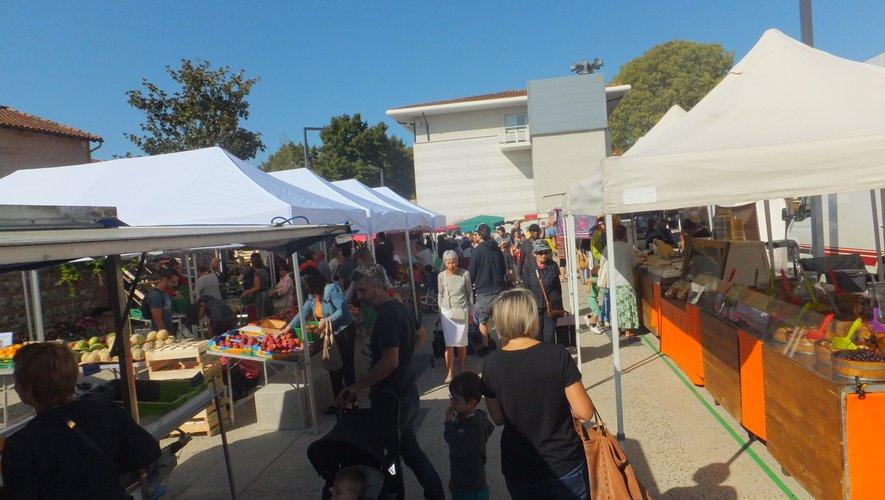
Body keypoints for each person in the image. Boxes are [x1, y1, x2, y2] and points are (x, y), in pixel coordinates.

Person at [2, 343, 161, 498]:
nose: (15, 387)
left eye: (16, 380)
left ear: (29, 388)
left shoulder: (21, 444)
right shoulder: (104, 410)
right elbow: (148, 451)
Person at [338, 272, 444, 500]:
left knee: (390, 459)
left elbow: (390, 361)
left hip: (392, 400)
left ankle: (398, 494)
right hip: (406, 394)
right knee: (409, 449)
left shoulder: (387, 317)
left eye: (363, 290)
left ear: (379, 286)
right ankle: (435, 492)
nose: (360, 296)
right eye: (357, 291)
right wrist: (405, 356)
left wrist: (357, 387)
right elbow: (421, 335)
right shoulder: (400, 307)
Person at [481, 288, 595, 500]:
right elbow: (584, 412)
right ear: (531, 316)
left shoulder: (491, 364)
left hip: (519, 464)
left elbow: (497, 418)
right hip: (563, 460)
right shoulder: (557, 354)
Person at [285, 267, 356, 414]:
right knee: (333, 367)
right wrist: (289, 326)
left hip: (344, 331)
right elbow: (304, 311)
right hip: (330, 334)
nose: (306, 289)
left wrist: (326, 320)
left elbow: (342, 311)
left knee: (346, 367)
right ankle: (338, 402)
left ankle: (352, 403)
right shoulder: (313, 296)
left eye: (306, 285)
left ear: (313, 282)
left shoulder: (331, 289)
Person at [444, 371, 494, 500]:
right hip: (463, 481)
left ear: (471, 403)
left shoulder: (474, 425)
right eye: (451, 397)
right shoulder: (466, 418)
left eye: (455, 399)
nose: (451, 402)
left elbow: (457, 447)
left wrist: (448, 425)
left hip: (471, 486)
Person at [467, 224, 507, 356]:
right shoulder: (497, 249)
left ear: (479, 235)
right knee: (500, 321)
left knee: (483, 321)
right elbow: (503, 269)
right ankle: (505, 348)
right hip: (499, 289)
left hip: (483, 291)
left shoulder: (477, 251)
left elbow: (471, 274)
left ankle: (485, 346)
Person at [438, 250, 473, 383]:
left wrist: (471, 313)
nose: (451, 265)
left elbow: (470, 294)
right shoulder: (441, 276)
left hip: (462, 311)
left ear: (457, 261)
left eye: (453, 262)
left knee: (461, 342)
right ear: (444, 263)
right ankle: (450, 372)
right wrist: (440, 311)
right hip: (447, 312)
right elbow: (440, 294)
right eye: (448, 263)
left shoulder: (465, 274)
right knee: (449, 344)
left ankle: (462, 367)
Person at [521, 239, 563, 344]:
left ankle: (550, 358)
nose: (543, 255)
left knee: (549, 337)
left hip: (551, 306)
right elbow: (526, 288)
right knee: (537, 336)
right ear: (534, 253)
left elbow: (558, 287)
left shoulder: (553, 265)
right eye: (540, 252)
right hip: (535, 307)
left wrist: (559, 304)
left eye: (546, 252)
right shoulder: (528, 267)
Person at [611, 224, 640, 339]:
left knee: (616, 306)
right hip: (626, 280)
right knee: (627, 305)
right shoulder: (628, 247)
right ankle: (628, 330)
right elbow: (634, 263)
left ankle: (617, 330)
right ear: (624, 235)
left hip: (613, 281)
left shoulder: (608, 247)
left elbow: (602, 263)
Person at [241, 252, 272, 321]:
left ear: (253, 263)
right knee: (268, 316)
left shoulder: (257, 273)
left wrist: (247, 291)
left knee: (261, 317)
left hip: (261, 297)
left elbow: (257, 287)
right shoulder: (265, 271)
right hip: (267, 295)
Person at [146, 268, 175, 333]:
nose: (173, 285)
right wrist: (164, 332)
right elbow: (157, 317)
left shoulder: (164, 292)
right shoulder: (155, 295)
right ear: (165, 280)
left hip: (167, 332)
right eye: (172, 282)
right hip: (160, 334)